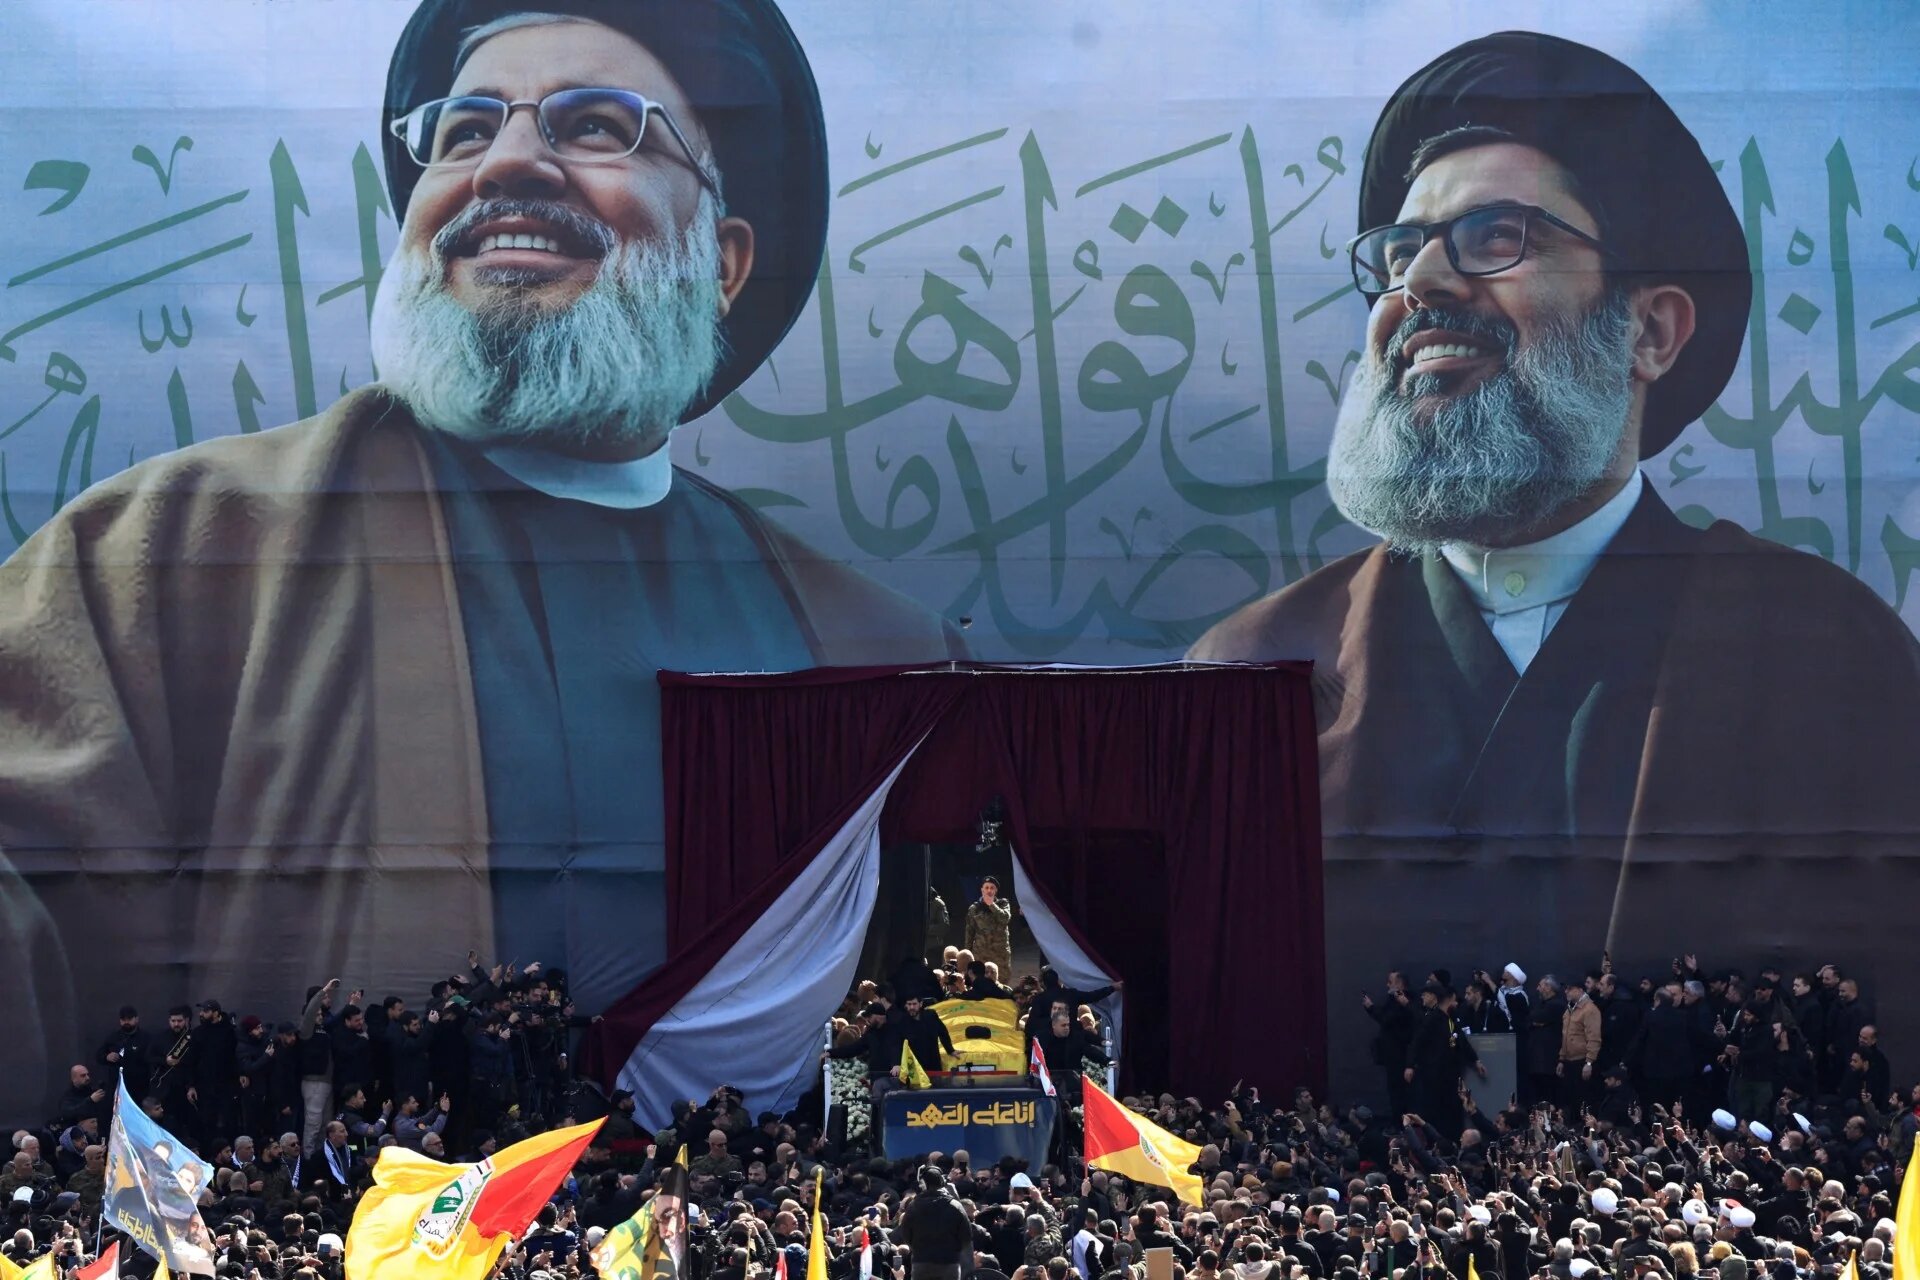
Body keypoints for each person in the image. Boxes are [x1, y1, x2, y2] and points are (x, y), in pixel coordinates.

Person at [0, 0, 963, 1105]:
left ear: (724, 265)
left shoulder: (872, 646)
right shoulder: (169, 550)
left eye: (595, 125)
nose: (505, 164)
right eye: (463, 131)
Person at [1187, 30, 1920, 1084]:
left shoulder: (1823, 649)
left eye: (1495, 235)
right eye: (1399, 253)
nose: (1421, 282)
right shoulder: (1249, 670)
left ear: (1650, 332)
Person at [965, 878, 1016, 982]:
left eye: (992, 888)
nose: (989, 890)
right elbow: (969, 931)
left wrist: (992, 905)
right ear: (982, 890)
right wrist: (967, 952)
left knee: (1002, 981)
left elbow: (1005, 919)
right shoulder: (975, 908)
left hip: (1000, 954)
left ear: (996, 890)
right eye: (986, 887)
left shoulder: (1003, 904)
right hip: (981, 953)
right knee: (979, 981)